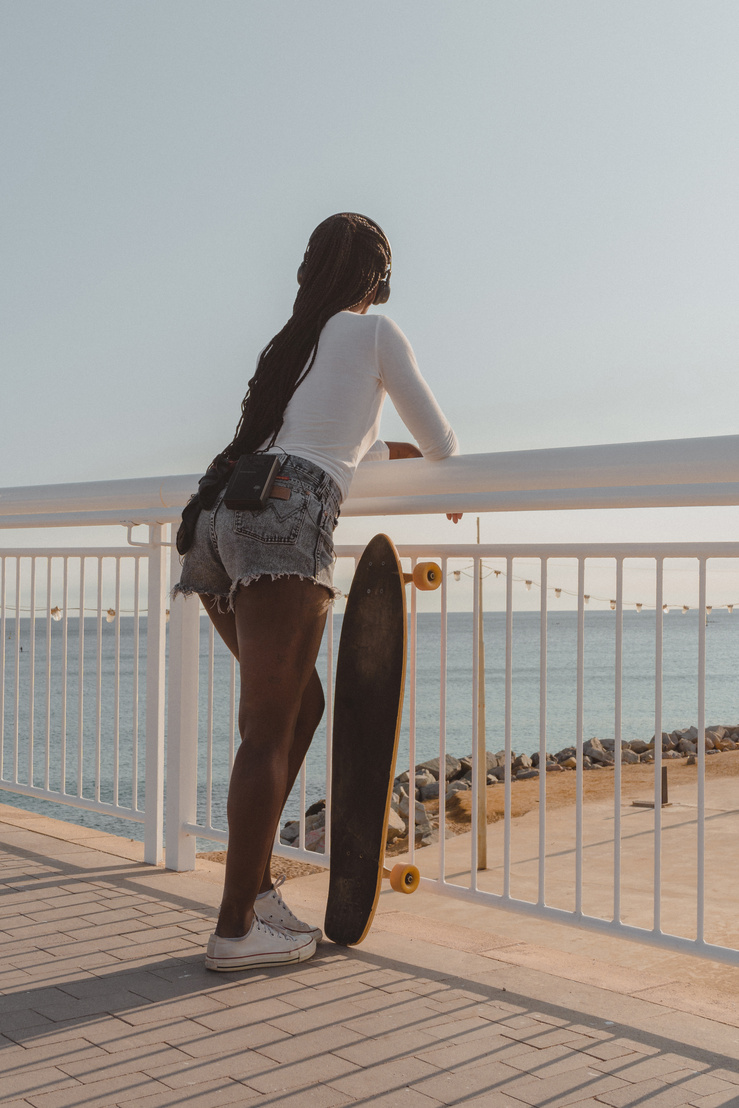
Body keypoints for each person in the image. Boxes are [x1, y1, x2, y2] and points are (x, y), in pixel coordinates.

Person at [173, 212, 459, 971]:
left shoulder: (292, 344)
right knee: (267, 728)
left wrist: (377, 449)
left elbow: (329, 436)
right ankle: (235, 929)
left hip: (218, 517)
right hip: (283, 521)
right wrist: (437, 469)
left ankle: (256, 896)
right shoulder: (374, 333)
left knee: (301, 705)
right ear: (379, 277)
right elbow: (440, 443)